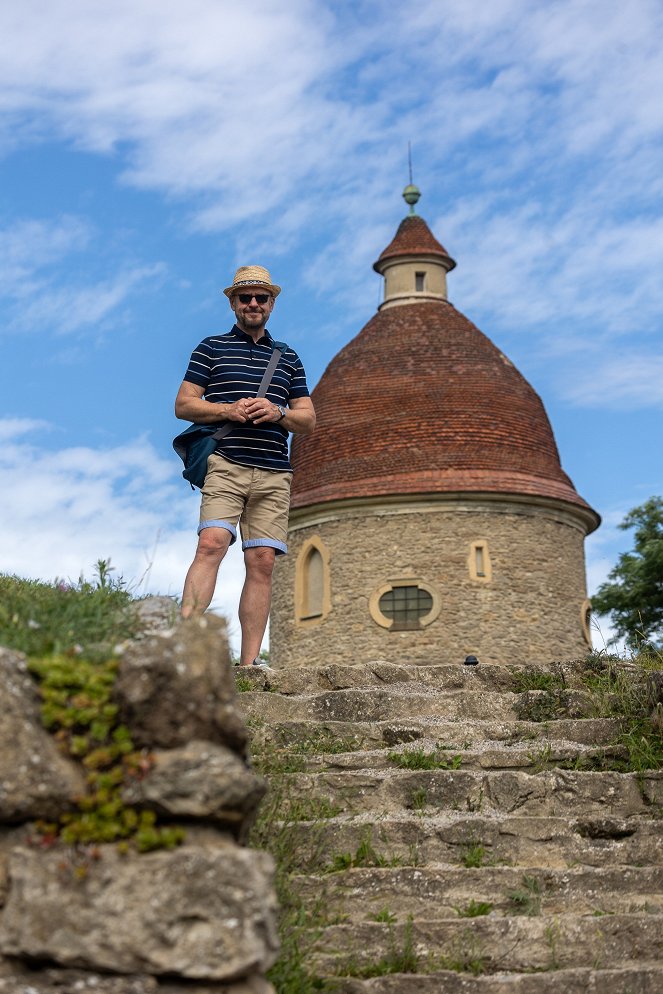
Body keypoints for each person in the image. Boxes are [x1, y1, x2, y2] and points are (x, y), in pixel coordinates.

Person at [175, 265, 316, 666]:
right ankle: (183, 645)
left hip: (274, 470)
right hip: (227, 463)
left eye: (261, 297)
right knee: (211, 544)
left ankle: (249, 665)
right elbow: (183, 404)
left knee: (262, 562)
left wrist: (278, 412)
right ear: (232, 303)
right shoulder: (211, 348)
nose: (253, 304)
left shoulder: (287, 357)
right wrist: (229, 409)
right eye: (245, 297)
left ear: (272, 303)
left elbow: (308, 419)